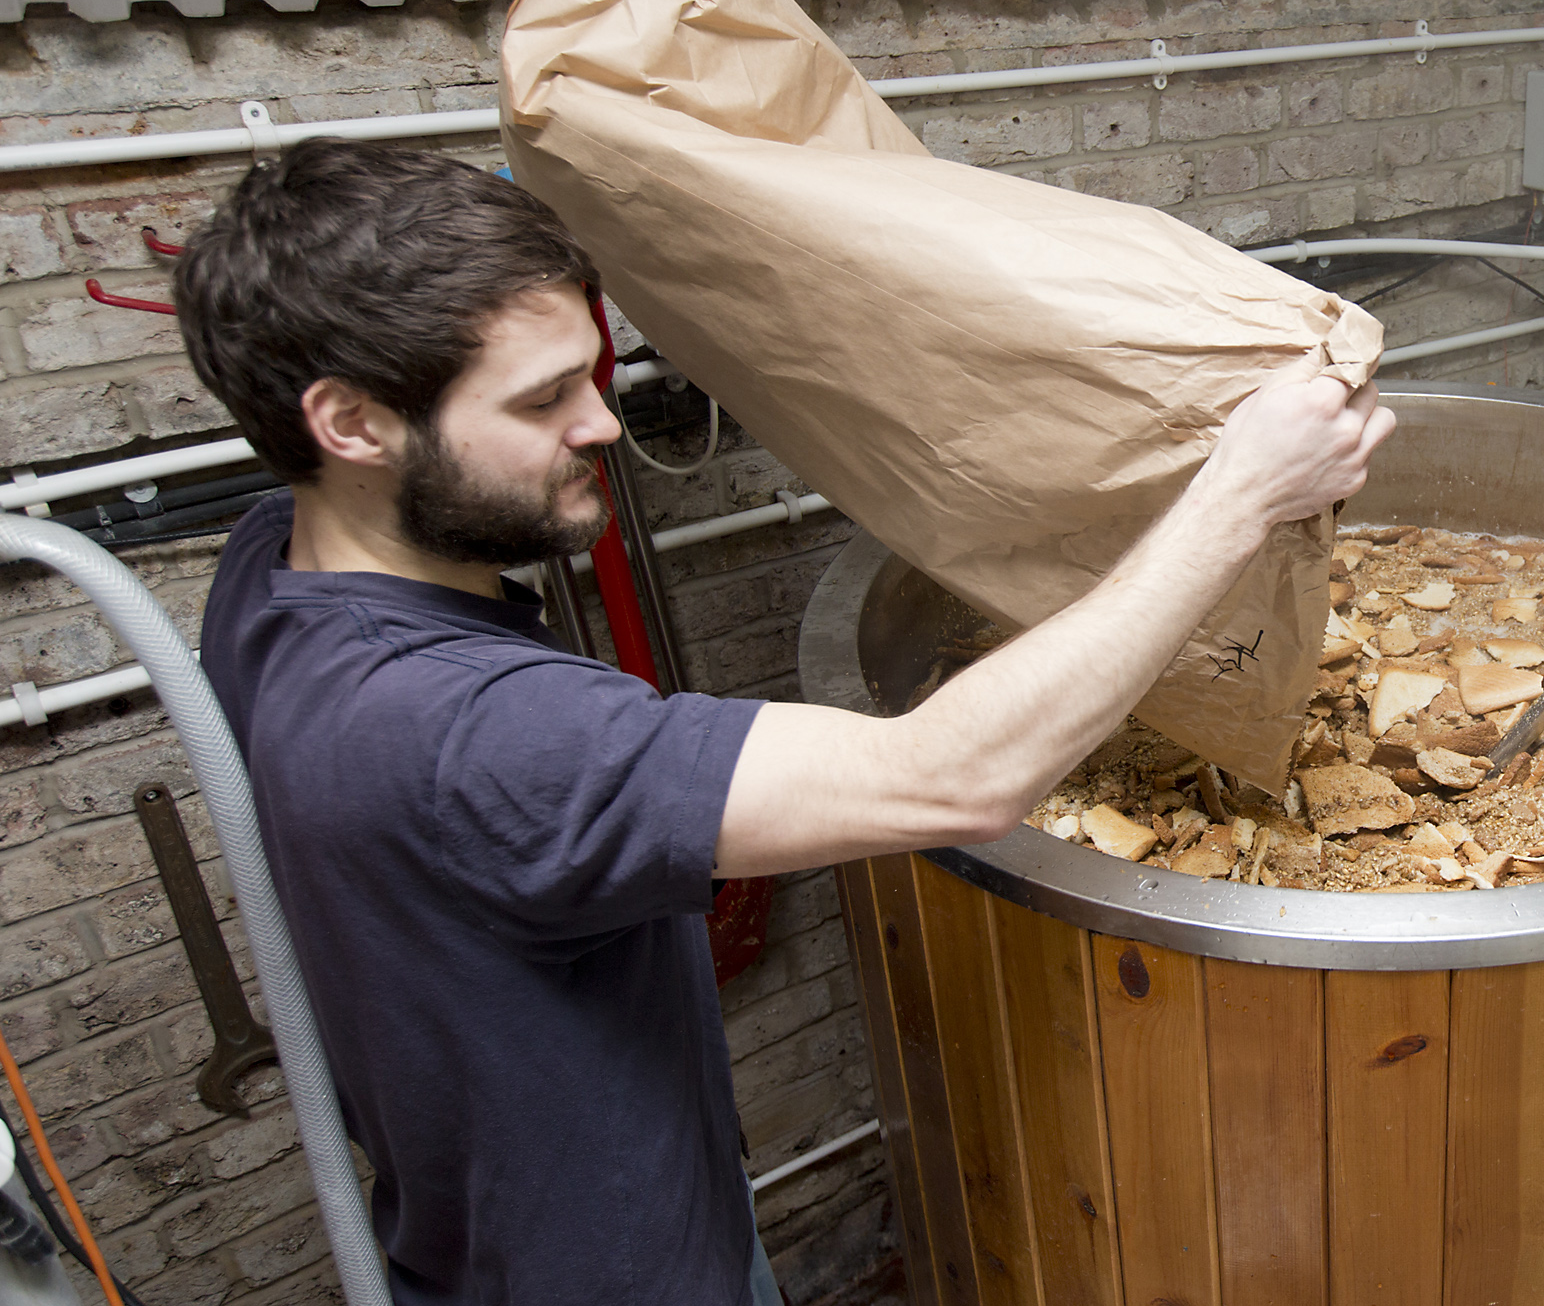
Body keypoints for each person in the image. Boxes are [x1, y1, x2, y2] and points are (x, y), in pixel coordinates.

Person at [173, 141, 1391, 1305]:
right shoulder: (461, 733)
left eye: (586, 372)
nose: (600, 422)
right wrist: (1242, 491)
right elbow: (948, 776)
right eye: (543, 398)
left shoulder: (273, 569)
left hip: (493, 1239)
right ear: (351, 423)